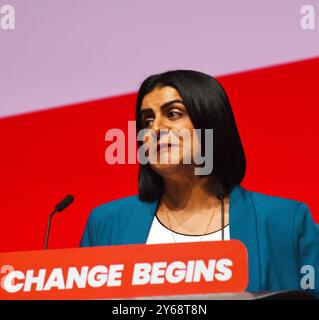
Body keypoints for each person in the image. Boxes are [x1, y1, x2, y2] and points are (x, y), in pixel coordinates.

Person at [80, 70, 319, 295]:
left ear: (211, 122)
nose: (156, 129)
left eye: (173, 114)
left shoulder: (286, 221)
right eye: (147, 120)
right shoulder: (106, 224)